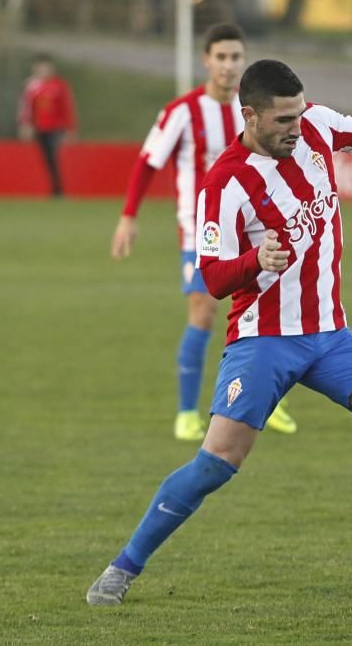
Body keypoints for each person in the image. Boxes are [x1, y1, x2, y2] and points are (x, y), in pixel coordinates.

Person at [86, 44, 352, 606]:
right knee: (216, 464)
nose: (297, 128)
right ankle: (122, 568)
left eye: (300, 114)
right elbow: (212, 277)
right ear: (249, 116)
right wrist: (257, 261)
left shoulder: (319, 126)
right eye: (284, 120)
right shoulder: (225, 184)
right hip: (263, 341)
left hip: (330, 334)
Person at [110, 23, 298, 441]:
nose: (230, 66)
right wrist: (128, 216)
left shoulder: (251, 110)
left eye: (236, 57)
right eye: (222, 57)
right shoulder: (183, 111)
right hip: (200, 233)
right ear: (207, 61)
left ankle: (274, 402)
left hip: (255, 231)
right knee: (203, 311)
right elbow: (147, 163)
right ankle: (186, 413)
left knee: (273, 313)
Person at [18, 53, 76, 197]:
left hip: (56, 127)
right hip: (39, 127)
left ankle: (58, 190)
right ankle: (55, 189)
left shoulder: (59, 85)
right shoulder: (31, 85)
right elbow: (26, 107)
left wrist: (70, 128)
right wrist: (26, 125)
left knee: (53, 155)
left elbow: (66, 107)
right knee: (47, 158)